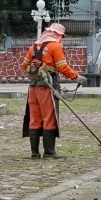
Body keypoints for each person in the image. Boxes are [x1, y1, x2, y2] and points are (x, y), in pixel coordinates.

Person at [22, 22, 83, 158]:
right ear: (57, 35)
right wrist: (77, 77)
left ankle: (35, 152)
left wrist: (36, 73)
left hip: (33, 87)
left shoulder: (34, 47)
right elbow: (62, 67)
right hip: (47, 88)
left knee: (34, 119)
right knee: (49, 118)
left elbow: (25, 65)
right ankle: (49, 152)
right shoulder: (55, 46)